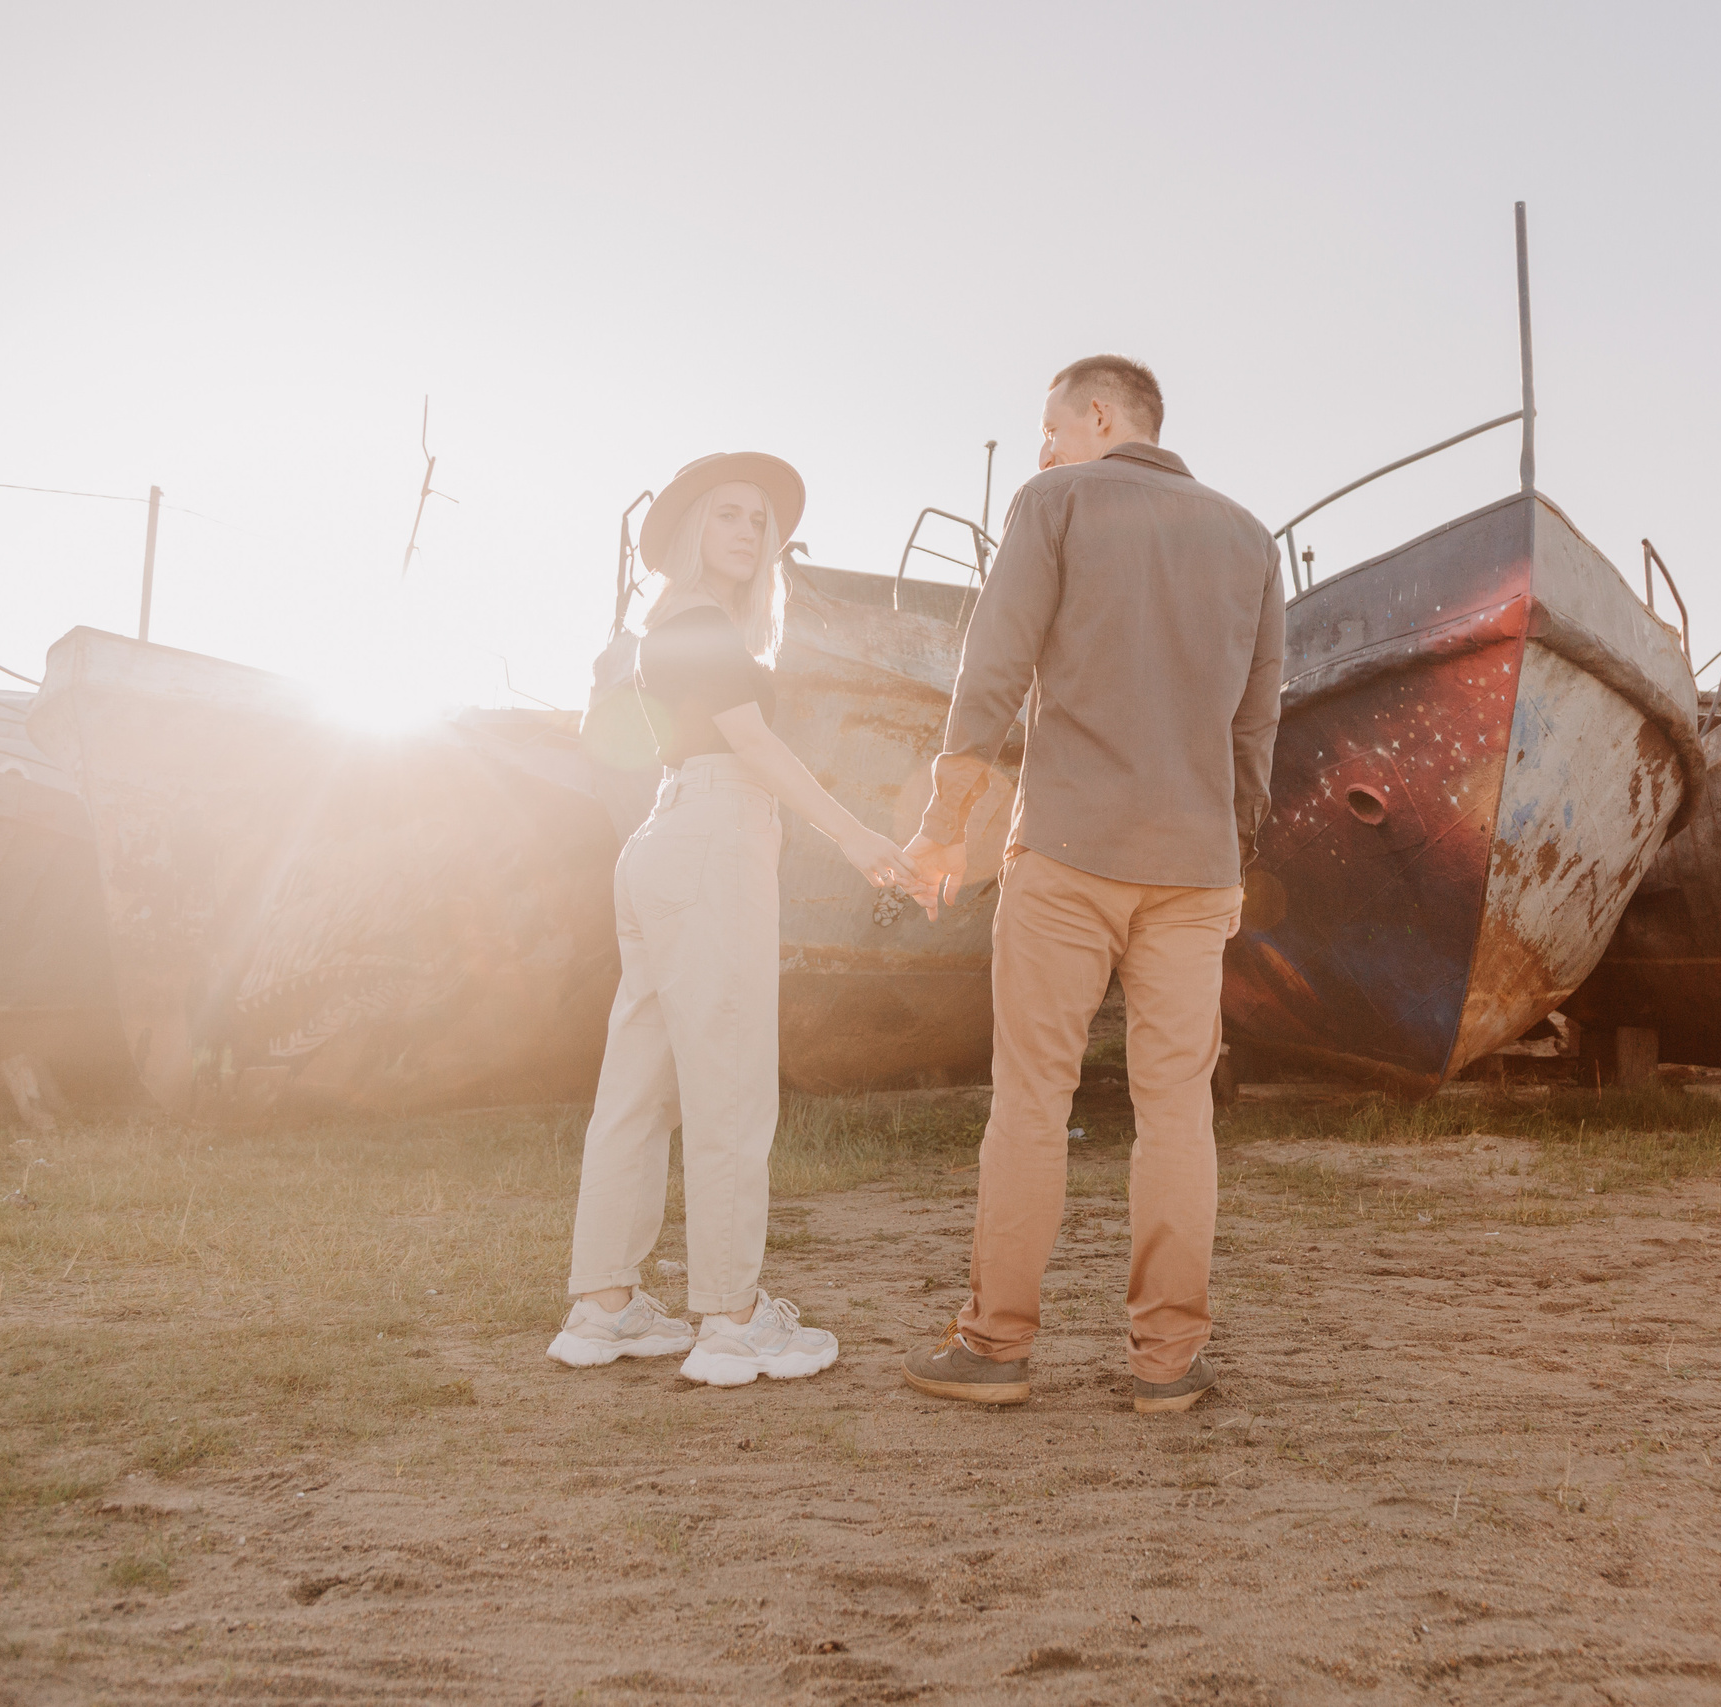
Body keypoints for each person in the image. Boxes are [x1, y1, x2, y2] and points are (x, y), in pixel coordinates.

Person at [897, 356, 1284, 1414]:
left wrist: (945, 827)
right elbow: (1258, 722)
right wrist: (1233, 849)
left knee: (1030, 1102)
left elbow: (992, 674)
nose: (1041, 447)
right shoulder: (1250, 538)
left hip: (1067, 854)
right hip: (1196, 869)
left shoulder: (1054, 502)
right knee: (1176, 1116)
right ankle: (1167, 1365)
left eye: (1050, 425)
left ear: (1099, 415)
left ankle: (996, 1348)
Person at [550, 452, 912, 1385]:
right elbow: (750, 743)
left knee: (638, 1085)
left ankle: (604, 1304)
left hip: (666, 839)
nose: (749, 534)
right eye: (729, 517)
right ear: (689, 532)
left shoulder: (668, 623)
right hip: (712, 838)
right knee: (731, 1086)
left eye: (760, 522)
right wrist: (859, 835)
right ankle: (733, 1318)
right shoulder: (703, 619)